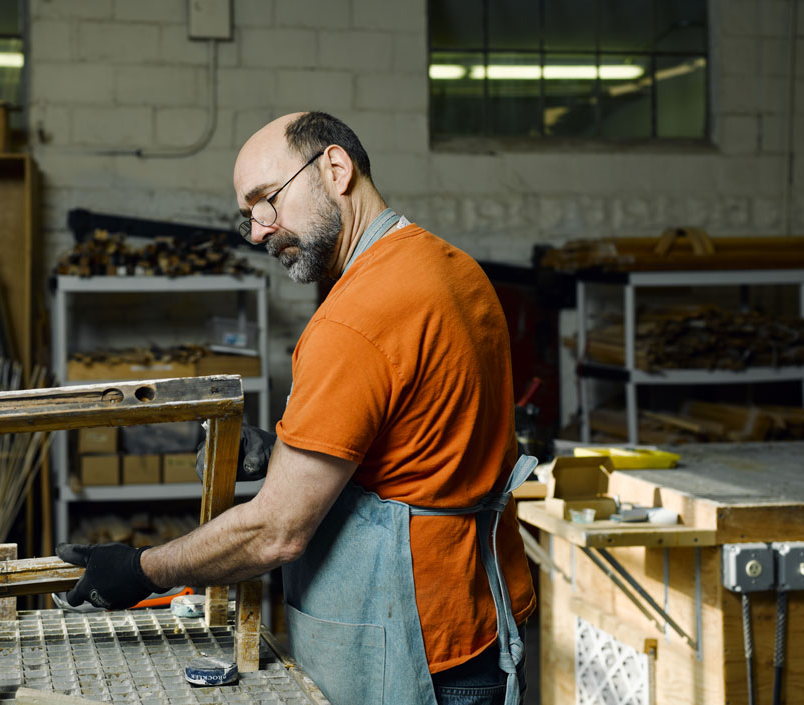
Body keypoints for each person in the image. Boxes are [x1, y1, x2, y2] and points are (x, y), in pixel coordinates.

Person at [57, 111, 537, 705]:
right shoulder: (450, 267)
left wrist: (141, 570)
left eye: (268, 201)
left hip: (421, 653)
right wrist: (285, 450)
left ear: (335, 169)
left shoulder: (355, 318)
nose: (259, 231)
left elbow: (274, 532)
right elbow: (421, 440)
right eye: (248, 217)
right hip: (485, 623)